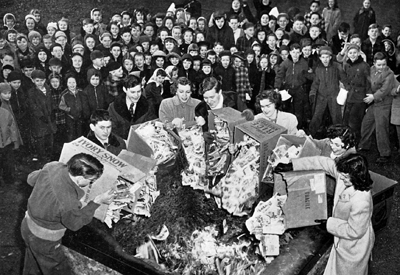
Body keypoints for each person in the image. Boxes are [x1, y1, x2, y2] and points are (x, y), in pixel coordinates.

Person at [276, 153, 374, 275]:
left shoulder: (361, 200)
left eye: (345, 177)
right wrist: (293, 165)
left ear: (356, 177)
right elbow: (322, 162)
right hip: (342, 238)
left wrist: (329, 224)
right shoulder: (345, 174)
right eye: (342, 175)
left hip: (353, 247)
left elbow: (354, 231)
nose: (341, 179)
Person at [21, 153, 115, 274]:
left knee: (32, 264)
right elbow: (74, 224)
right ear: (80, 178)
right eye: (90, 181)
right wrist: (96, 202)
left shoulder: (53, 166)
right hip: (44, 240)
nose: (91, 184)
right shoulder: (68, 201)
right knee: (57, 269)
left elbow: (31, 179)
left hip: (27, 226)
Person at [358, 52, 395, 163]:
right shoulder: (371, 69)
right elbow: (369, 83)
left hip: (383, 103)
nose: (382, 67)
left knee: (381, 129)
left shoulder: (390, 74)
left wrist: (373, 97)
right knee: (366, 124)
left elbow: (384, 90)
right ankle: (364, 145)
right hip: (373, 103)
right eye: (379, 65)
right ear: (374, 63)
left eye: (384, 64)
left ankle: (385, 154)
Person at [108, 75, 156, 139]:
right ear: (125, 89)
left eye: (139, 91)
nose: (136, 95)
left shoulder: (148, 106)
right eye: (132, 92)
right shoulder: (113, 107)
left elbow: (152, 126)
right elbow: (111, 130)